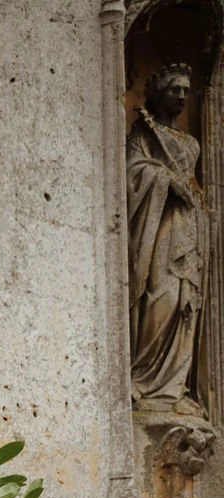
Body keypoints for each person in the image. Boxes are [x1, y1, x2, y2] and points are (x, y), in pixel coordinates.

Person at [127, 62, 209, 411]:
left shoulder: (190, 144)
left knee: (185, 303)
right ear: (160, 92)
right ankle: (144, 377)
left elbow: (193, 184)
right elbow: (132, 173)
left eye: (187, 91)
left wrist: (190, 191)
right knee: (162, 295)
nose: (181, 96)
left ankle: (174, 388)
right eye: (175, 89)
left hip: (189, 227)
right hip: (159, 225)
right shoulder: (144, 134)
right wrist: (163, 179)